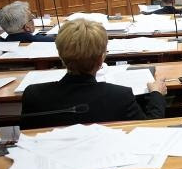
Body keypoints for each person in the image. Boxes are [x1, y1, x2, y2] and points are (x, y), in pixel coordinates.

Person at [21, 19, 166, 129]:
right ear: (101, 58)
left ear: (60, 55)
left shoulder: (33, 95)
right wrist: (156, 94)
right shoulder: (120, 96)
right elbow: (149, 128)